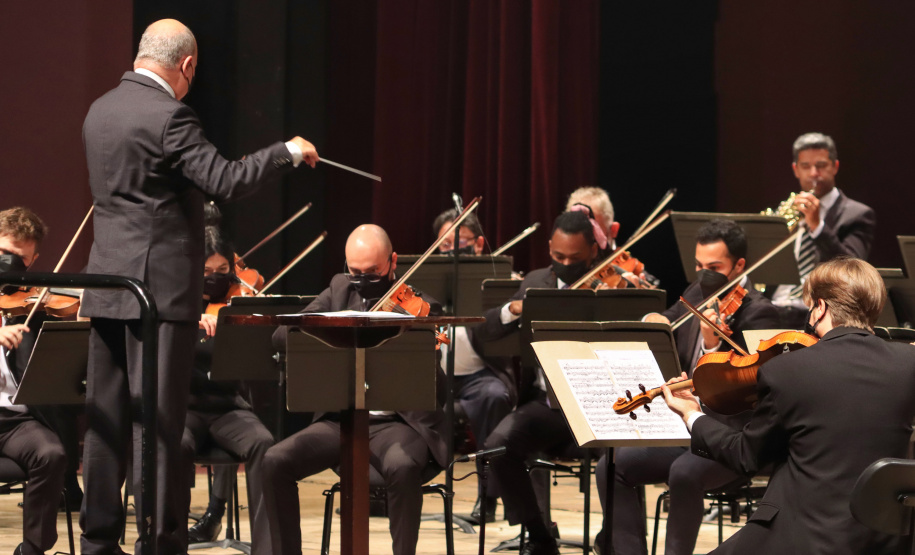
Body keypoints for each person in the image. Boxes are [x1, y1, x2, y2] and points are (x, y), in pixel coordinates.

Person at [79, 19, 318, 555]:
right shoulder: (169, 116)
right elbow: (225, 180)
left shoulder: (100, 110)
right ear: (187, 65)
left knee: (106, 419)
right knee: (157, 424)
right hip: (158, 297)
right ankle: (160, 542)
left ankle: (97, 542)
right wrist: (287, 151)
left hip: (107, 284)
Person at [662, 257, 915, 554]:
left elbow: (746, 456)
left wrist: (693, 415)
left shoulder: (786, 370)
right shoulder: (907, 364)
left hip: (801, 537)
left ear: (820, 307)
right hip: (884, 539)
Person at [594, 218, 780, 555]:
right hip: (685, 427)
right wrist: (653, 320)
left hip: (731, 437)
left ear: (739, 265)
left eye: (714, 267)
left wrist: (713, 346)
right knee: (613, 463)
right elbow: (669, 315)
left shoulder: (761, 314)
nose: (704, 274)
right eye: (698, 265)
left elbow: (746, 391)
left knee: (683, 473)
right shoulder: (697, 292)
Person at [264, 224, 448, 555]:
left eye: (373, 272)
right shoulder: (338, 289)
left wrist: (419, 344)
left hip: (398, 423)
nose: (362, 281)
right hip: (343, 418)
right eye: (355, 272)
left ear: (392, 262)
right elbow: (282, 335)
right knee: (276, 460)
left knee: (403, 466)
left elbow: (441, 390)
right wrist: (335, 326)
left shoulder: (421, 306)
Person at [479, 210, 604, 555]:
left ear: (594, 251)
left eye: (575, 258)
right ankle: (539, 535)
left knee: (622, 457)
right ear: (549, 247)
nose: (565, 264)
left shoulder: (608, 286)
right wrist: (513, 309)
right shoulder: (536, 281)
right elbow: (486, 329)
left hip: (598, 404)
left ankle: (618, 539)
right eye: (558, 256)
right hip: (546, 405)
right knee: (499, 445)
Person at [182, 228, 275, 552]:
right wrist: (187, 324)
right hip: (185, 408)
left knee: (263, 442)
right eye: (207, 272)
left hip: (227, 407)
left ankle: (267, 547)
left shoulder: (236, 305)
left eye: (223, 272)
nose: (215, 279)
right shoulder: (175, 304)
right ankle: (171, 538)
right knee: (174, 443)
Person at [432, 209, 514, 522]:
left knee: (493, 397)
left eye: (459, 244)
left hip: (480, 376)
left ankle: (488, 498)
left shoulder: (493, 280)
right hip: (436, 376)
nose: (450, 253)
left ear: (479, 244)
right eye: (443, 247)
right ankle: (395, 490)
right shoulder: (430, 280)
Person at [0, 207, 69, 555]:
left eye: (20, 259)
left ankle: (33, 550)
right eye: (4, 254)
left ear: (34, 260)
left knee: (52, 453)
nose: (10, 265)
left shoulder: (31, 299)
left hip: (14, 421)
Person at [771, 132, 876, 328]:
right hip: (774, 306)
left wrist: (817, 226)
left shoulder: (857, 214)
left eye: (820, 166)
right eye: (805, 166)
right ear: (795, 170)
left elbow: (852, 268)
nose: (813, 173)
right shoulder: (786, 212)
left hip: (817, 310)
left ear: (835, 166)